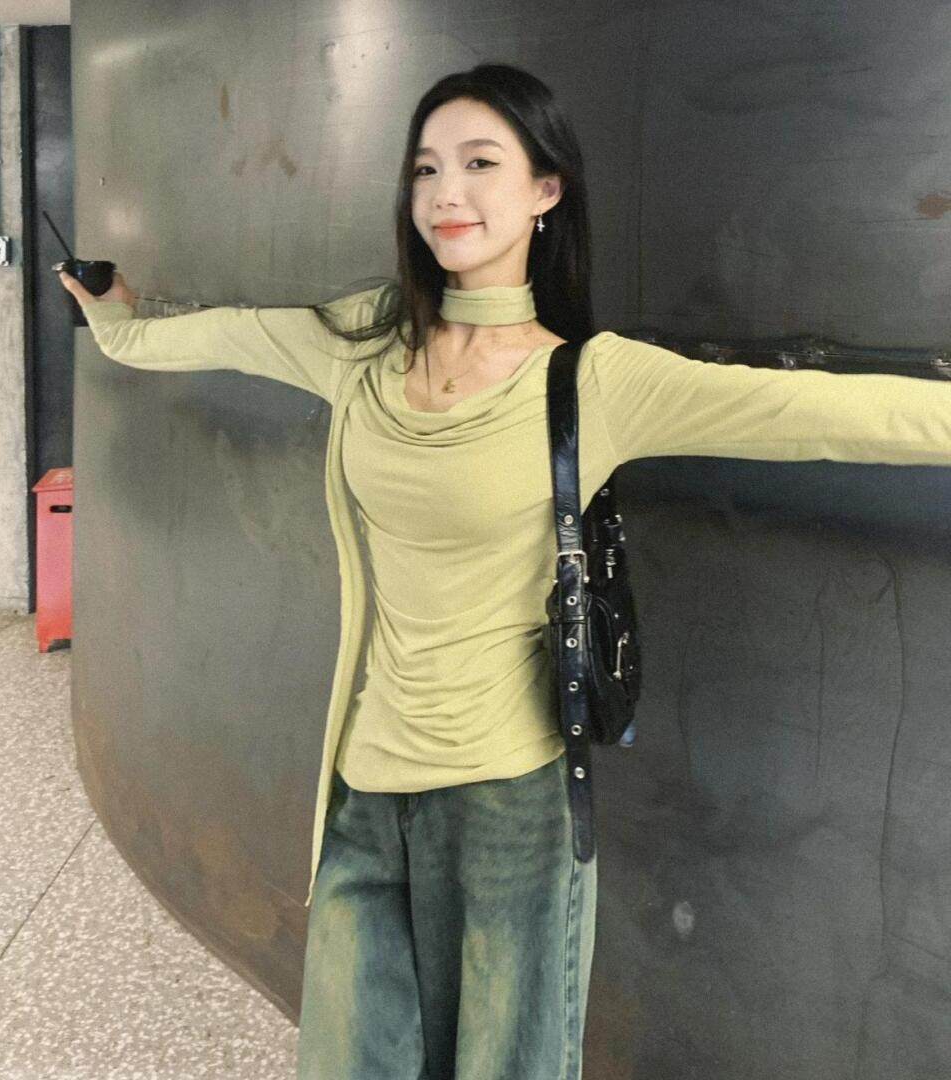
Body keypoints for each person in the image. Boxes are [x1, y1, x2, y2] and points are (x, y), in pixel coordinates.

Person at [59, 62, 951, 1080]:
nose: (447, 192)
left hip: (511, 810)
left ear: (546, 189)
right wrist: (115, 316)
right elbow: (218, 333)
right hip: (364, 792)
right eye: (426, 168)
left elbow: (826, 416)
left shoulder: (593, 381)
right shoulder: (364, 341)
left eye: (481, 163)